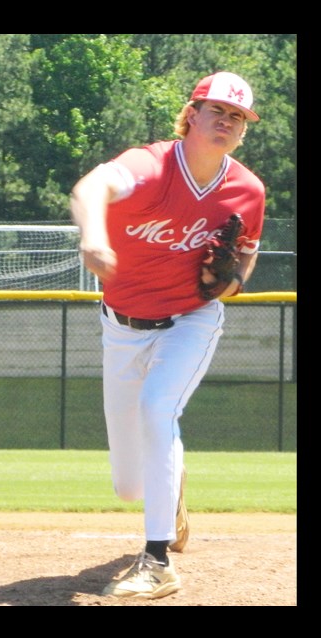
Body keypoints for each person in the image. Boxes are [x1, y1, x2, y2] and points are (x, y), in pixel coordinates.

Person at [70, 71, 266, 599]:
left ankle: (156, 562)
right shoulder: (151, 165)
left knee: (159, 409)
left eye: (237, 117)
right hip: (123, 327)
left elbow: (243, 260)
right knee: (128, 484)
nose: (226, 122)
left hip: (190, 321)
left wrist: (232, 282)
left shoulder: (248, 190)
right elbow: (91, 187)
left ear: (244, 130)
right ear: (191, 114)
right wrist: (93, 236)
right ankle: (169, 483)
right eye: (217, 111)